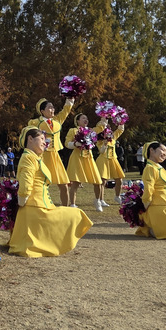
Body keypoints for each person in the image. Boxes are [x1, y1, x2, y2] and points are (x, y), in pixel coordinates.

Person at [8, 127, 93, 257]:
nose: (45, 142)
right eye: (41, 138)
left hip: (40, 206)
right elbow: (26, 183)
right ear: (30, 139)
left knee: (75, 215)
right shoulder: (28, 158)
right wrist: (23, 199)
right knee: (77, 215)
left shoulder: (34, 157)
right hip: (36, 208)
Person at [28, 97, 75, 207]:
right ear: (42, 111)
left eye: (53, 108)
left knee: (63, 184)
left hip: (55, 156)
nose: (52, 110)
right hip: (42, 156)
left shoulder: (57, 121)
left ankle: (65, 208)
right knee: (40, 184)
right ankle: (37, 205)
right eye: (49, 108)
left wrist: (70, 100)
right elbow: (28, 137)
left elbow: (66, 111)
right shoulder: (35, 123)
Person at [64, 112, 105, 210]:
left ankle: (97, 201)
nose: (85, 120)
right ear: (77, 121)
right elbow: (67, 143)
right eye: (83, 118)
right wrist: (76, 143)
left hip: (89, 158)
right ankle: (73, 204)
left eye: (86, 118)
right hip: (77, 158)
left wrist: (104, 116)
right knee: (76, 182)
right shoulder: (73, 130)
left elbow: (100, 127)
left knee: (98, 182)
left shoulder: (91, 131)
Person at [95, 124, 126, 204]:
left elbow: (120, 130)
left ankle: (117, 196)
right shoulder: (99, 141)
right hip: (103, 160)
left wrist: (121, 120)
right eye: (106, 131)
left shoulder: (113, 138)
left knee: (119, 179)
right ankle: (101, 200)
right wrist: (104, 144)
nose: (109, 132)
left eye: (109, 130)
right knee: (103, 181)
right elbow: (101, 151)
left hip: (113, 159)